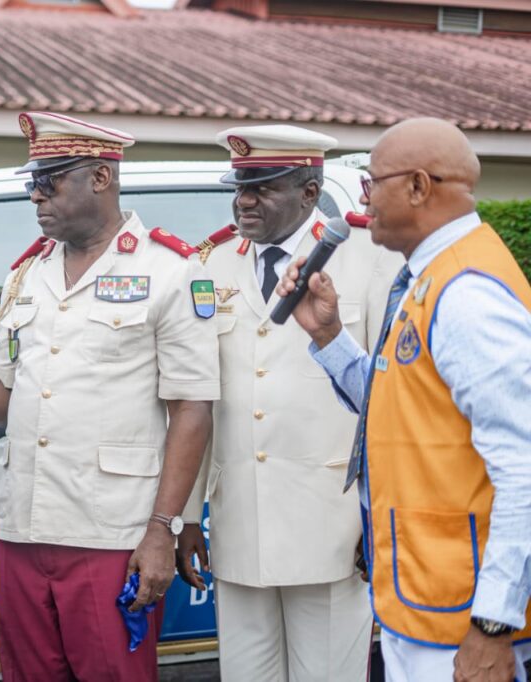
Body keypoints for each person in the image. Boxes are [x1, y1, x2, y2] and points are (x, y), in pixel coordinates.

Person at [0, 111, 219, 681]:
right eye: (31, 182)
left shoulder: (170, 271)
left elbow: (193, 409)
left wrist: (162, 530)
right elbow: (7, 401)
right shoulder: (27, 275)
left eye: (49, 179)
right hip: (23, 528)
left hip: (112, 533)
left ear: (100, 178)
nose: (35, 195)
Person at [277, 118, 531, 681]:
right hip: (420, 606)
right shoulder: (427, 279)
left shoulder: (468, 294)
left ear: (418, 186)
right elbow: (394, 406)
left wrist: (494, 625)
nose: (362, 198)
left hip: (465, 626)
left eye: (372, 183)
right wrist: (328, 337)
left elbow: (525, 472)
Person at [174, 125, 399, 681]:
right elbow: (198, 397)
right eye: (240, 185)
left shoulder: (368, 257)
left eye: (263, 186)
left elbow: (391, 401)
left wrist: (381, 523)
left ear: (308, 190)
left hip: (333, 524)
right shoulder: (211, 262)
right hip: (239, 524)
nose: (244, 200)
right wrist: (185, 517)